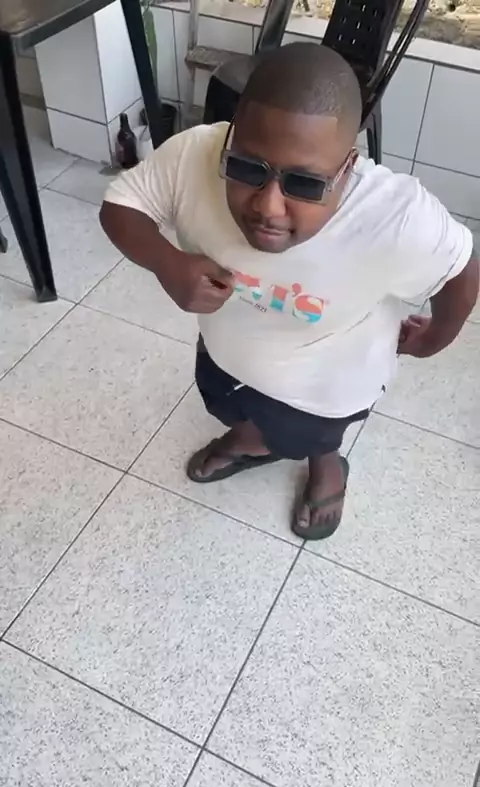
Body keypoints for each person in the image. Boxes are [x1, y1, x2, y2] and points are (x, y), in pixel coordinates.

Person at [100, 43, 478, 541]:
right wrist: (167, 263)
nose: (269, 207)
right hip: (225, 352)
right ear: (231, 136)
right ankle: (254, 442)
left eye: (304, 183)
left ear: (347, 167)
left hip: (327, 386)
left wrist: (435, 337)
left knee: (316, 437)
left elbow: (461, 269)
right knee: (228, 406)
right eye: (247, 168)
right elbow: (120, 206)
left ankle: (327, 468)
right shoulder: (196, 154)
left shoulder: (395, 215)